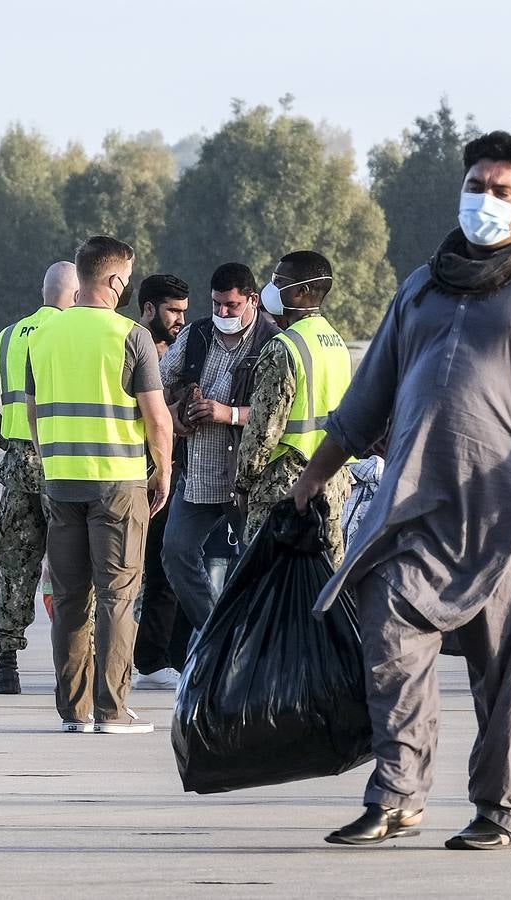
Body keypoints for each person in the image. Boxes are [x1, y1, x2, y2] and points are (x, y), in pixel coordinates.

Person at [289, 131, 511, 850]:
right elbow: (363, 401)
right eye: (475, 186)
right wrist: (310, 480)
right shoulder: (422, 286)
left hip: (510, 517)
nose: (483, 199)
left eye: (500, 190)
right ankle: (397, 794)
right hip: (414, 507)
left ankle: (497, 810)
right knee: (389, 638)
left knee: (505, 678)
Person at [25, 235, 173, 733]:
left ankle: (75, 709)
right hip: (117, 482)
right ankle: (113, 708)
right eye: (127, 278)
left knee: (69, 597)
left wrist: (50, 465)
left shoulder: (42, 336)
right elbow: (157, 417)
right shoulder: (130, 336)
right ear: (113, 281)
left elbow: (32, 413)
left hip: (61, 482)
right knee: (117, 595)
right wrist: (163, 469)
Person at [0, 260, 78, 694]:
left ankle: (6, 661)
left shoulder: (8, 336)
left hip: (19, 465)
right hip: (65, 463)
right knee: (73, 565)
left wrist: (3, 436)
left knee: (14, 563)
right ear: (77, 294)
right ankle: (78, 663)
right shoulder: (76, 334)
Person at [159, 263, 278, 629]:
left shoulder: (272, 343)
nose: (222, 313)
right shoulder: (196, 335)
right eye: (216, 305)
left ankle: (247, 642)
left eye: (231, 305)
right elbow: (158, 384)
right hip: (197, 475)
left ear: (252, 300)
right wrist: (174, 413)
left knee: (253, 566)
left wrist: (228, 414)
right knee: (175, 553)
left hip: (247, 478)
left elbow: (276, 412)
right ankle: (214, 631)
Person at [235, 251, 353, 554]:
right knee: (322, 584)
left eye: (278, 282)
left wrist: (244, 482)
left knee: (266, 587)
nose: (270, 289)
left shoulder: (284, 347)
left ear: (302, 292)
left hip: (284, 484)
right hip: (332, 479)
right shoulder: (336, 342)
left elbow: (263, 428)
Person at [131, 273, 193, 690]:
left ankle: (162, 658)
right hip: (134, 475)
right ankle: (133, 661)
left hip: (175, 476)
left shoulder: (184, 350)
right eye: (172, 311)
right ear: (149, 309)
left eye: (184, 312)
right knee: (131, 576)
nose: (179, 320)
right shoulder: (130, 346)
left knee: (170, 570)